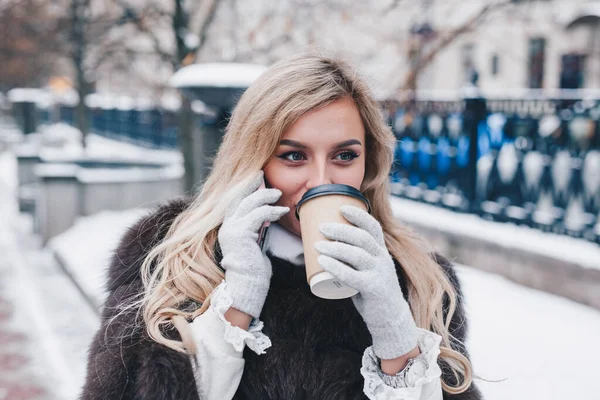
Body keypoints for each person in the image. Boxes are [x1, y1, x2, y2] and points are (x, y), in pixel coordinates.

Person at [81, 54, 482, 400]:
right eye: (294, 156)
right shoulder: (167, 257)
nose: (321, 180)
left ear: (369, 164)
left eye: (344, 155)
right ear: (253, 161)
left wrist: (395, 333)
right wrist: (237, 299)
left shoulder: (420, 280)